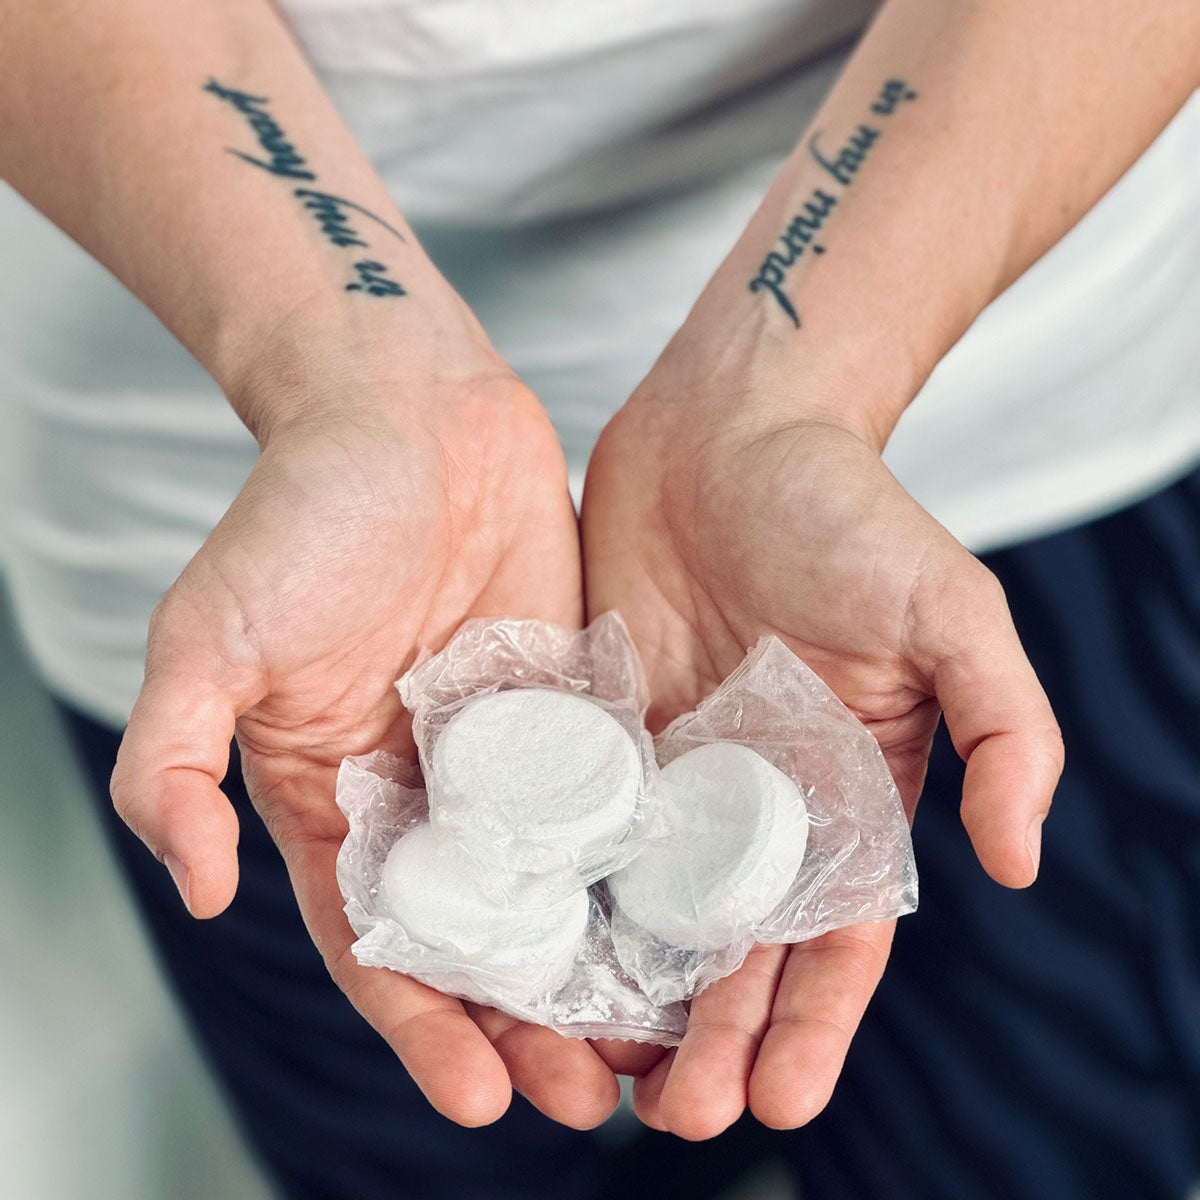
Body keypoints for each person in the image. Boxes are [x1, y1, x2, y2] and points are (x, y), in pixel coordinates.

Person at [0, 0, 1196, 1196]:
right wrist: (340, 377)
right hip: (290, 566)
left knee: (1032, 1137)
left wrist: (799, 390)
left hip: (991, 423)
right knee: (429, 1152)